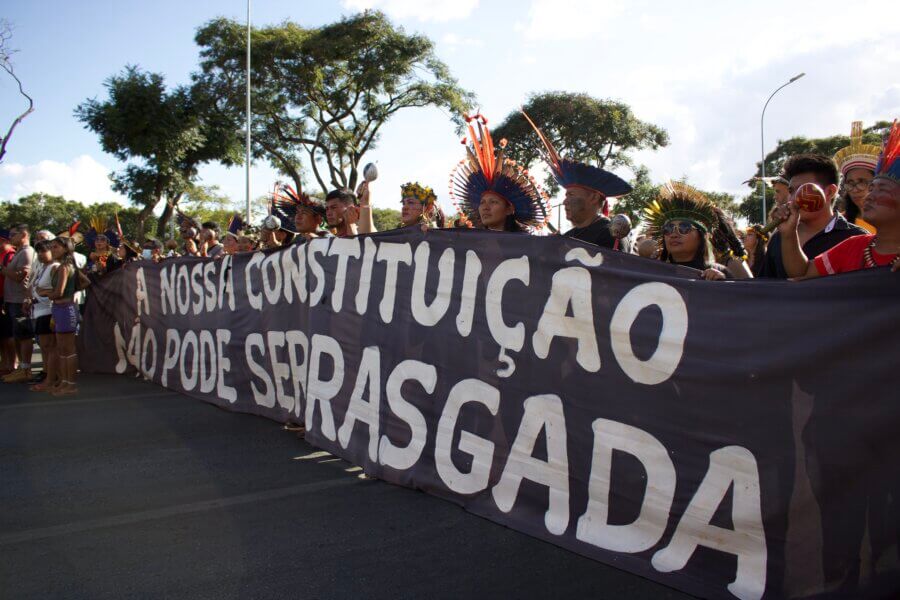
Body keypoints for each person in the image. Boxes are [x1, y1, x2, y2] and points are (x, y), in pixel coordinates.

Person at [777, 121, 900, 278]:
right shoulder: (854, 246)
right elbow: (802, 273)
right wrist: (789, 234)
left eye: (882, 190)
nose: (870, 196)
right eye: (871, 189)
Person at [520, 110, 633, 247]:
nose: (565, 201)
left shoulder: (610, 235)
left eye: (571, 194)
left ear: (594, 198)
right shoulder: (568, 237)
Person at [759, 153, 866, 279]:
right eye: (792, 191)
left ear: (829, 192)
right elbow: (765, 287)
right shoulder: (779, 237)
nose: (793, 200)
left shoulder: (856, 238)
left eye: (803, 190)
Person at [448, 113, 550, 233]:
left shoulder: (527, 245)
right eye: (482, 202)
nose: (485, 208)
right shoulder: (473, 243)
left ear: (509, 209)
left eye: (493, 202)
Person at [643, 182, 729, 280]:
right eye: (668, 228)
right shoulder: (653, 272)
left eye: (684, 228)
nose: (673, 235)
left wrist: (722, 282)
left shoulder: (718, 274)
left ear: (701, 237)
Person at [40, 237, 80, 395]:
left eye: (56, 247)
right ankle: (64, 382)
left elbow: (59, 292)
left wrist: (45, 293)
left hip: (65, 308)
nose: (53, 250)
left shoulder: (64, 267)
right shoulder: (61, 267)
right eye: (52, 247)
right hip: (59, 308)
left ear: (65, 248)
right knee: (62, 349)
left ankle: (70, 385)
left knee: (68, 350)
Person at [2, 225, 37, 383]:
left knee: (24, 335)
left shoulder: (27, 252)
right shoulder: (20, 252)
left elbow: (21, 276)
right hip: (12, 300)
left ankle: (26, 369)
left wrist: (1, 269)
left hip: (20, 300)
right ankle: (21, 368)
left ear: (23, 234)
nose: (10, 237)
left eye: (13, 234)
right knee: (17, 335)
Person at [833, 121, 880, 233]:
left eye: (862, 182)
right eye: (850, 183)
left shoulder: (893, 220)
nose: (855, 189)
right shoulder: (839, 224)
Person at [26, 240, 58, 391]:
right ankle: (47, 373)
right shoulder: (42, 267)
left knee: (49, 346)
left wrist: (43, 295)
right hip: (38, 310)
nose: (40, 254)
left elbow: (58, 290)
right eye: (38, 251)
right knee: (44, 346)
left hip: (49, 310)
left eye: (43, 251)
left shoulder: (55, 267)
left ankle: (52, 377)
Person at [0, 228, 16, 376]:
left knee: (8, 334)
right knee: (2, 335)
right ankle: (4, 362)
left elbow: (16, 276)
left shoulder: (10, 255)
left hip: (6, 298)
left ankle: (13, 363)